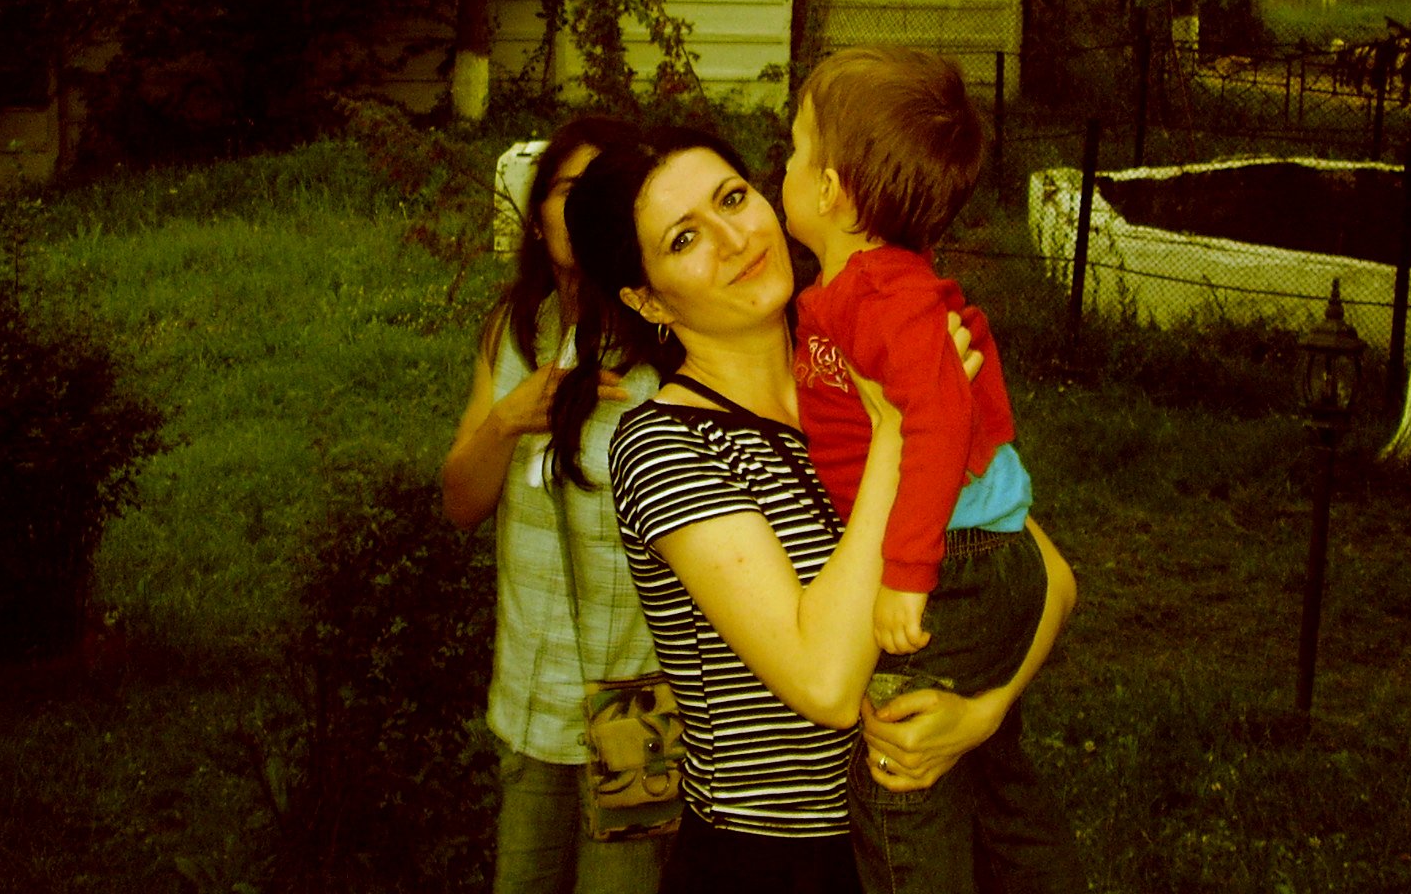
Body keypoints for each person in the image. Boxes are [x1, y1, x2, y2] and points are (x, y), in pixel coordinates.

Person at [553, 124, 1075, 894]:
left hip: (931, 826)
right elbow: (825, 684)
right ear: (647, 297)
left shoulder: (856, 355)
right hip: (777, 861)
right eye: (684, 238)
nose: (735, 238)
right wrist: (898, 434)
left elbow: (1050, 576)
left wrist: (983, 714)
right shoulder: (665, 445)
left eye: (734, 198)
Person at [783, 45, 1072, 893]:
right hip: (972, 550)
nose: (783, 166)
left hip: (956, 559)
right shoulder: (856, 290)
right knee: (989, 772)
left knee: (897, 780)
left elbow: (940, 418)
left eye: (794, 148)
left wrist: (908, 575)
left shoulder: (887, 296)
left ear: (829, 189)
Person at [442, 117, 670, 894]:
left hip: (637, 705)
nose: (584, 207)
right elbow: (460, 504)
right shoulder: (513, 331)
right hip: (530, 695)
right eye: (570, 188)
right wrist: (508, 418)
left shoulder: (665, 344)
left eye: (606, 190)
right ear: (538, 216)